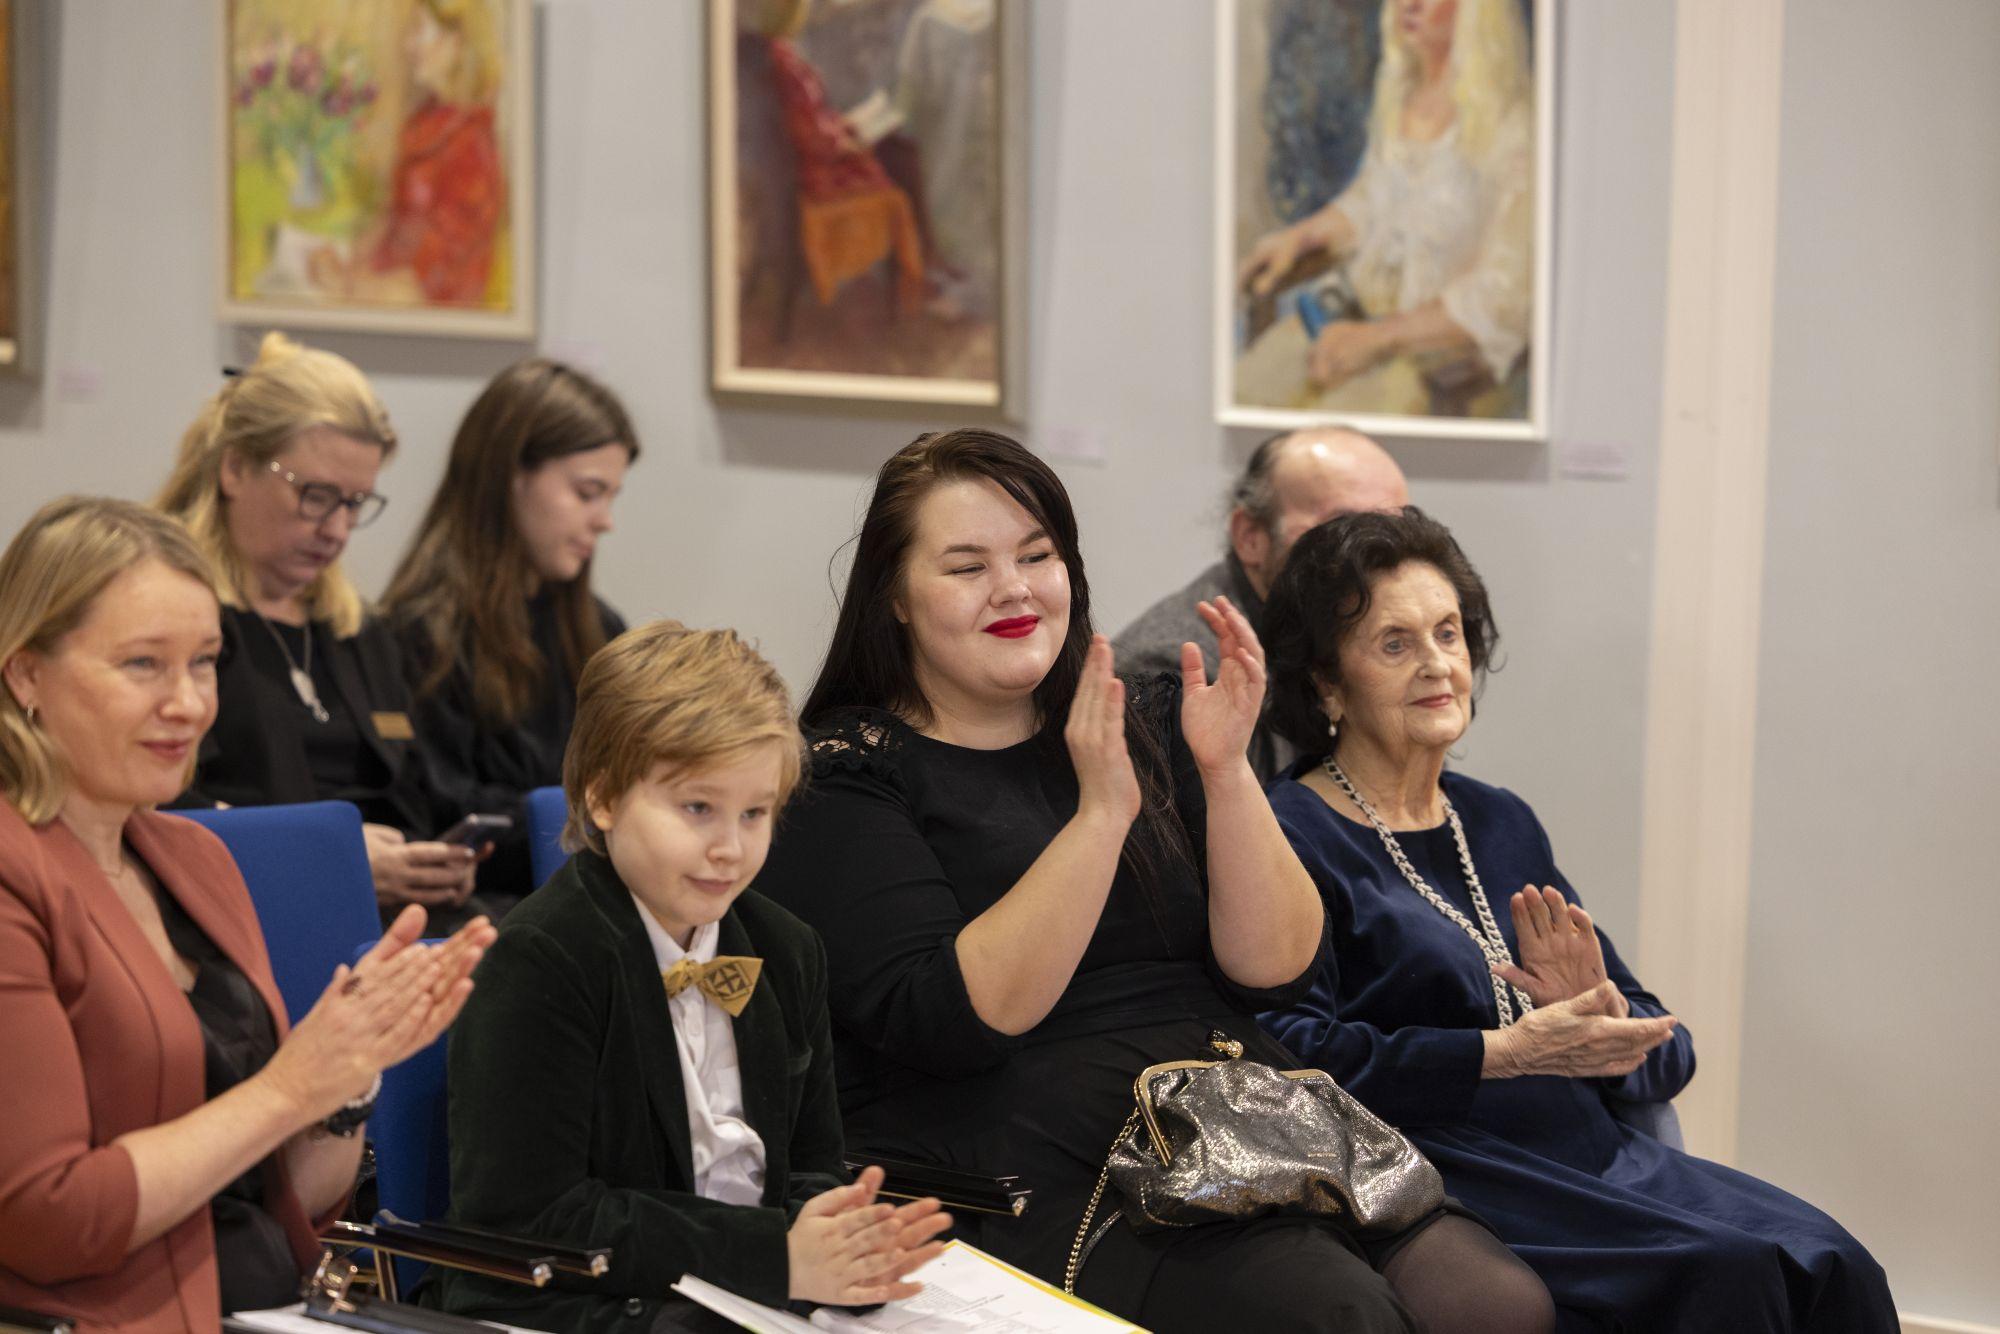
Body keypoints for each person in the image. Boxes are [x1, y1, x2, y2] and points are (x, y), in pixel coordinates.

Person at [756, 430, 1553, 1334]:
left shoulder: (1140, 721)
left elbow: (1279, 969)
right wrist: (1101, 818)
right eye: (967, 567)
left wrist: (1225, 770)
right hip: (1026, 1152)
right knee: (1339, 1315)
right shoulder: (847, 773)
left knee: (1499, 1305)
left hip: (1239, 1117)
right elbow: (959, 1019)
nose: (1014, 589)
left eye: (1037, 556)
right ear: (894, 596)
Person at [1257, 508, 1897, 1331]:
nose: (1438, 664)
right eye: (1395, 644)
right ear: (1325, 682)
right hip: (1448, 1170)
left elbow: (1663, 1046)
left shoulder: (1498, 819)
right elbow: (1290, 1056)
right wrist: (1501, 1054)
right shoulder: (1289, 833)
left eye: (1448, 634)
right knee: (1731, 1276)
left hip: (1592, 1152)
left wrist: (1604, 1020)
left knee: (1834, 1261)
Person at [0, 496, 491, 1330]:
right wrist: (289, 1087)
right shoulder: (15, 875)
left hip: (266, 1302)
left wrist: (347, 1075)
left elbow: (288, 1202)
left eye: (204, 663)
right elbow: (52, 1220)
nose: (190, 703)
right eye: (143, 664)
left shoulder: (196, 859)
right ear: (26, 675)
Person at [431, 621, 949, 1332]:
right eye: (698, 808)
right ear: (603, 797)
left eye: (755, 813)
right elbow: (534, 1215)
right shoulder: (543, 958)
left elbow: (810, 1165)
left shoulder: (787, 949)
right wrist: (774, 1255)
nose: (729, 848)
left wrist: (839, 1242)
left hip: (744, 1299)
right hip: (575, 1305)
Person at [155, 332, 478, 921]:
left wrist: (432, 861)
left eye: (355, 503)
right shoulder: (170, 620)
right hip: (246, 916)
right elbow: (158, 806)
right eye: (317, 496)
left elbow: (411, 794)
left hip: (391, 916)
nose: (337, 529)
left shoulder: (358, 632)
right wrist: (328, 858)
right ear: (234, 468)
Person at [383, 358, 638, 906]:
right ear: (510, 478)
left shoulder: (601, 628)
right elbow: (446, 814)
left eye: (611, 497)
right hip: (488, 912)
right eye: (587, 492)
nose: (605, 520)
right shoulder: (417, 636)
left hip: (593, 901)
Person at [1233, 0, 1535, 420]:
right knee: (1249, 387)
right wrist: (1300, 237)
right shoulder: (1400, 95)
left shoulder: (1513, 127)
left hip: (1437, 362)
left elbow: (1503, 297)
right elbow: (1369, 205)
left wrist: (1378, 339)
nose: (1410, 4)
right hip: (1350, 322)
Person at [1113, 426, 1407, 778]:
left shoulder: (1354, 638)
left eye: (1396, 531)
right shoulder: (1173, 673)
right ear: (1250, 537)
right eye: (1344, 526)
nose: (1377, 555)